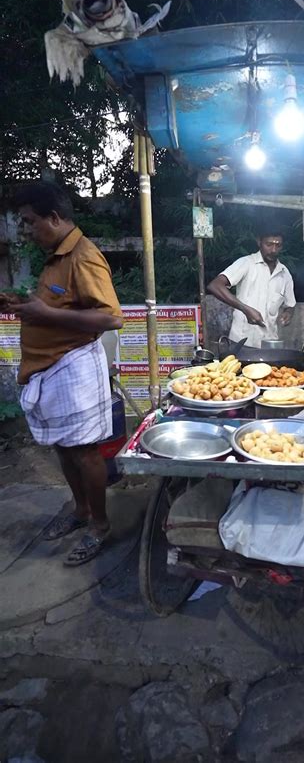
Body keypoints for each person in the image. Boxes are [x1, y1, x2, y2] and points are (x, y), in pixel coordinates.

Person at [4, 181, 123, 566]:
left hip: (73, 367)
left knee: (85, 452)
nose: (26, 230)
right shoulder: (56, 255)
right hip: (49, 369)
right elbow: (54, 305)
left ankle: (100, 526)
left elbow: (110, 317)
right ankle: (80, 511)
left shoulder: (83, 256)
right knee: (63, 447)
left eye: (29, 222)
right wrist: (22, 305)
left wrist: (47, 314)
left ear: (54, 218)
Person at [207, 229, 296, 348]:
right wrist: (245, 309)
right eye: (269, 245)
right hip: (241, 342)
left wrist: (288, 314)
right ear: (259, 242)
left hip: (270, 343)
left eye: (278, 245)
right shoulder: (246, 263)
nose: (273, 250)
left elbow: (290, 305)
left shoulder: (284, 273)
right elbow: (215, 285)